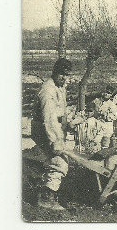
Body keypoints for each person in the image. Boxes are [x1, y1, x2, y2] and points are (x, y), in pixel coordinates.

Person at [31, 58, 83, 211]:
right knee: (59, 161)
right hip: (44, 129)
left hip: (55, 126)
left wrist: (71, 123)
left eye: (67, 75)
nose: (65, 78)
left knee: (59, 159)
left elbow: (60, 113)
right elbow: (49, 119)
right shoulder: (48, 91)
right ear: (54, 73)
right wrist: (56, 140)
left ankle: (50, 189)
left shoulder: (60, 87)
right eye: (61, 74)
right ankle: (46, 198)